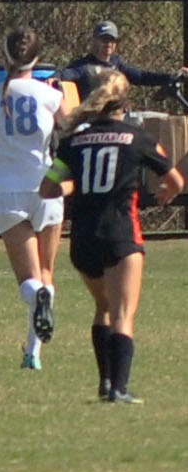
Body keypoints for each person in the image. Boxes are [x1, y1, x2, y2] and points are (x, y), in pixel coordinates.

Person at [40, 73, 182, 403]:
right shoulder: (137, 138)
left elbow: (47, 189)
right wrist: (166, 192)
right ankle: (119, 388)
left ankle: (105, 383)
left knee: (102, 306)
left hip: (83, 239)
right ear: (126, 104)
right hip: (120, 234)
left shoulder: (74, 141)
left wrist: (76, 186)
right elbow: (175, 179)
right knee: (122, 313)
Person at [0, 28, 65, 370]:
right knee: (46, 272)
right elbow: (73, 136)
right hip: (46, 186)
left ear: (3, 57)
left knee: (29, 280)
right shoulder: (51, 95)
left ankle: (32, 350)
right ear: (38, 59)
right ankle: (33, 354)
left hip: (5, 190)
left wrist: (2, 158)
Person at [57, 19, 188, 104]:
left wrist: (170, 77)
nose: (108, 44)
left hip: (115, 117)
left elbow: (142, 77)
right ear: (94, 41)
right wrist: (53, 78)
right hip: (91, 121)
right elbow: (63, 75)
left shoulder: (117, 64)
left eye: (111, 40)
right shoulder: (83, 66)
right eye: (104, 39)